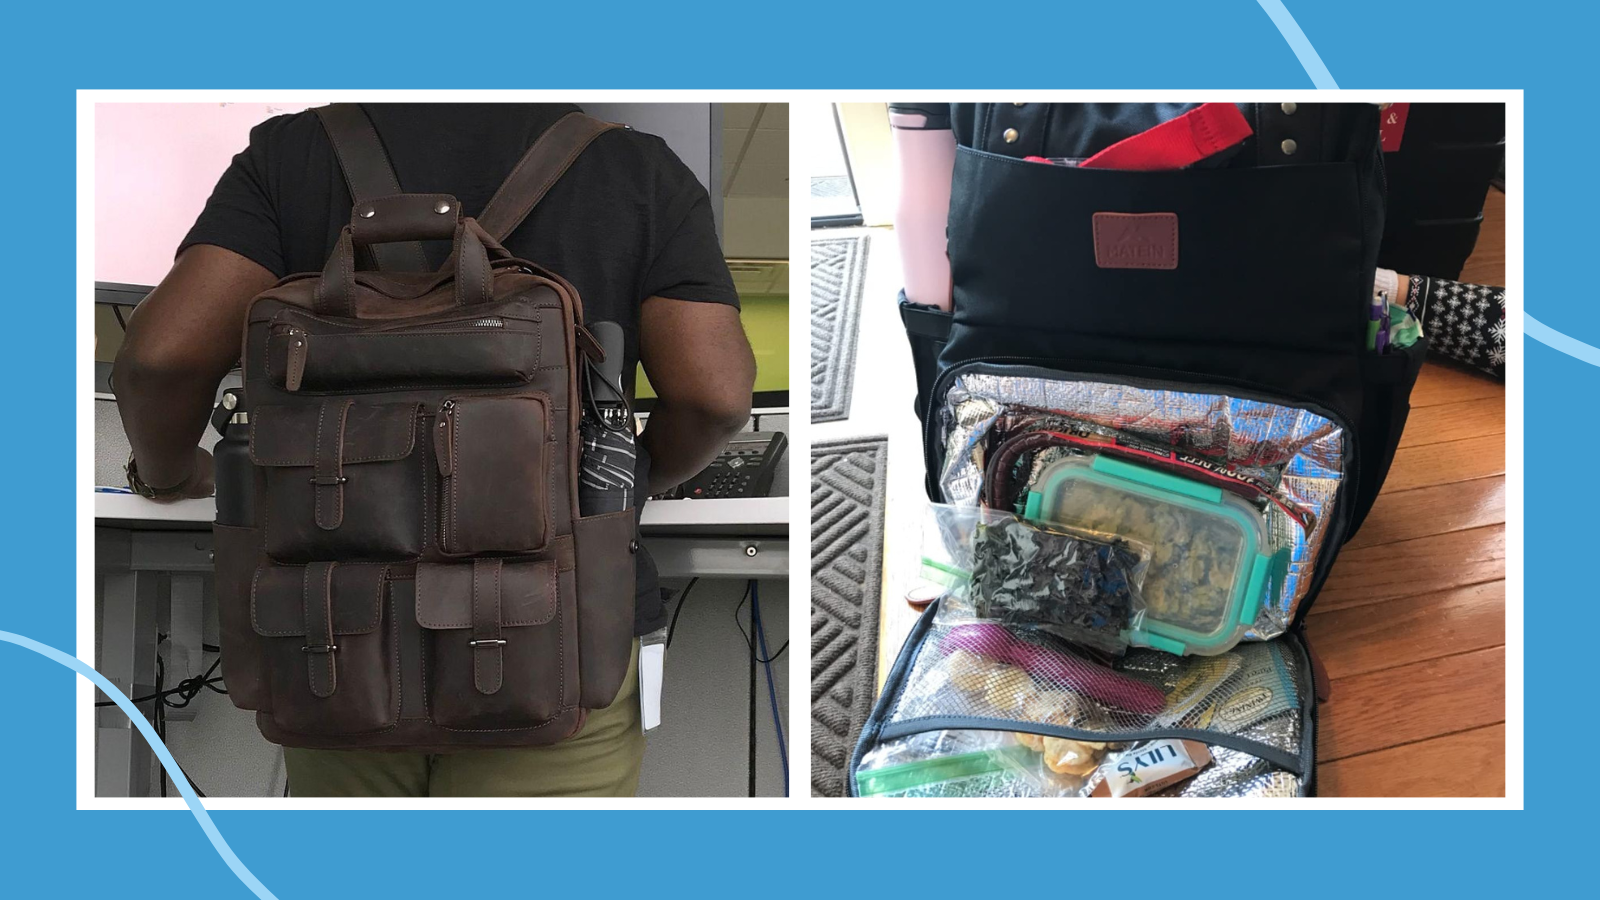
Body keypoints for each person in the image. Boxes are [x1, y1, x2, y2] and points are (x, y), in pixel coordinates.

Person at [112, 103, 756, 796]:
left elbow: (160, 360)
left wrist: (168, 474)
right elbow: (714, 396)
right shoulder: (636, 167)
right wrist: (618, 484)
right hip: (554, 635)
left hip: (333, 640)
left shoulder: (291, 153)